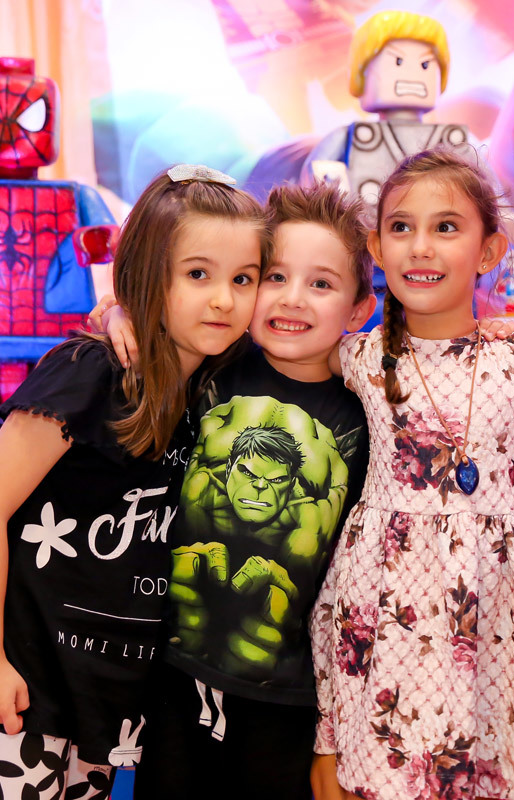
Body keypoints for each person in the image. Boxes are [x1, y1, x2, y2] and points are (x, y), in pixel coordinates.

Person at [0, 165, 269, 800]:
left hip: (105, 679)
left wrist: (117, 307)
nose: (223, 299)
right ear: (148, 274)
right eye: (198, 274)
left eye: (243, 279)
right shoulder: (90, 373)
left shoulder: (218, 386)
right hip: (26, 669)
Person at [310, 148, 514, 800]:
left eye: (446, 227)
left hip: (492, 614)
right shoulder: (354, 357)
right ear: (376, 248)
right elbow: (260, 337)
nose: (420, 247)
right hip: (380, 612)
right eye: (401, 227)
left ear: (488, 251)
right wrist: (120, 316)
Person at [94, 183, 376, 798]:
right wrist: (119, 313)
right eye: (274, 277)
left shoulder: (365, 414)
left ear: (359, 311)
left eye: (321, 284)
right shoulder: (214, 363)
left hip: (284, 693)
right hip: (169, 673)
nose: (293, 298)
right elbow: (157, 317)